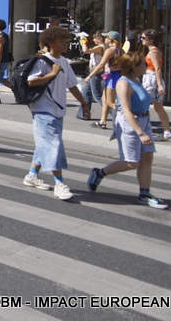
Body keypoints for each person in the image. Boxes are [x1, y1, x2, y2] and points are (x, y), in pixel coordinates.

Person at [87, 51, 168, 209]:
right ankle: (99, 173)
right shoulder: (123, 83)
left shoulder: (136, 80)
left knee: (147, 158)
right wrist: (140, 133)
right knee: (131, 162)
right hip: (130, 124)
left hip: (144, 120)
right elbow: (126, 110)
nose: (146, 66)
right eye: (143, 64)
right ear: (133, 67)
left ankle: (144, 194)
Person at [22, 27, 90, 201]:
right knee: (53, 145)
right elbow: (31, 82)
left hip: (57, 111)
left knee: (44, 144)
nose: (66, 43)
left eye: (66, 40)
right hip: (43, 110)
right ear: (51, 43)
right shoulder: (42, 61)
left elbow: (72, 85)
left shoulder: (64, 62)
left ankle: (31, 175)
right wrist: (52, 74)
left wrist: (83, 103)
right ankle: (59, 184)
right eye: (62, 41)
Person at [84, 30, 123, 129]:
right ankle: (103, 121)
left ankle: (121, 119)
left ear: (111, 39)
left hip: (112, 77)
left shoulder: (110, 50)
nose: (105, 39)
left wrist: (90, 76)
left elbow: (101, 64)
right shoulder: (121, 50)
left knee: (110, 102)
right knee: (104, 99)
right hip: (116, 75)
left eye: (106, 37)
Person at [140, 29, 171, 141]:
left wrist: (159, 84)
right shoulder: (154, 51)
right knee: (158, 107)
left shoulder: (153, 52)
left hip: (151, 79)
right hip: (152, 78)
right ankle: (167, 132)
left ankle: (145, 129)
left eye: (143, 38)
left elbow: (157, 68)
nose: (141, 39)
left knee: (143, 104)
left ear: (151, 40)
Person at [81, 31, 106, 116]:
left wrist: (83, 42)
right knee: (85, 91)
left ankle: (112, 111)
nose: (93, 40)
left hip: (96, 72)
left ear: (100, 38)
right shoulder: (99, 47)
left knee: (97, 96)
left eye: (95, 38)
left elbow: (86, 51)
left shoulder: (101, 47)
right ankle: (84, 113)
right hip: (94, 72)